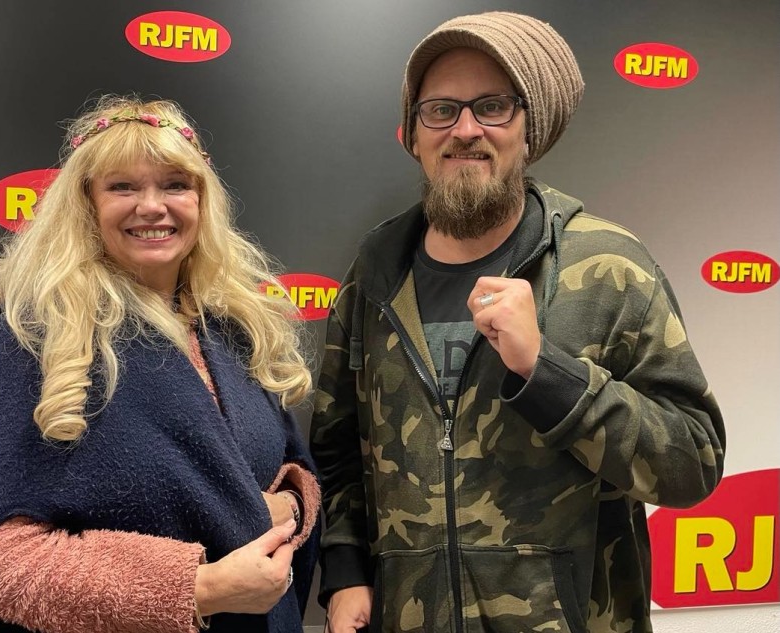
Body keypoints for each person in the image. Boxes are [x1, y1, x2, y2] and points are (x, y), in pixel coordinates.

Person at [310, 11, 725, 633]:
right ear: (414, 135)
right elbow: (337, 450)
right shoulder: (374, 273)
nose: (465, 130)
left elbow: (693, 463)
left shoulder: (607, 268)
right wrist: (345, 574)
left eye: (493, 107)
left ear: (531, 130)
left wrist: (546, 372)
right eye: (441, 110)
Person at [0, 95, 320, 633]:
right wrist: (199, 589)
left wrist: (290, 504)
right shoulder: (35, 333)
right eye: (122, 186)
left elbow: (290, 465)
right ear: (86, 203)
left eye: (175, 184)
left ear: (203, 201)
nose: (151, 206)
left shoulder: (232, 324)